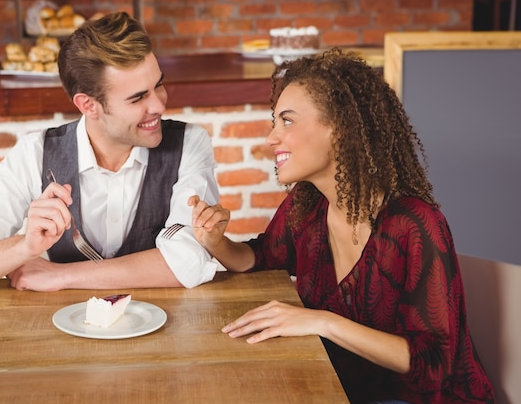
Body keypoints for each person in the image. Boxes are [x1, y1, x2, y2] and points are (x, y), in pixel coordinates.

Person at [188, 49, 494, 404]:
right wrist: (215, 241)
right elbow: (256, 257)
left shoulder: (414, 223)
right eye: (275, 122)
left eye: (287, 121)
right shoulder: (308, 205)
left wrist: (323, 322)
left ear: (341, 128)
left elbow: (433, 366)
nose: (271, 138)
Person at [0, 11, 220, 292]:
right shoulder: (35, 153)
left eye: (158, 85)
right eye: (137, 98)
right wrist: (24, 247)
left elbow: (190, 259)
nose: (158, 105)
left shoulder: (189, 144)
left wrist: (61, 276)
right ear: (88, 105)